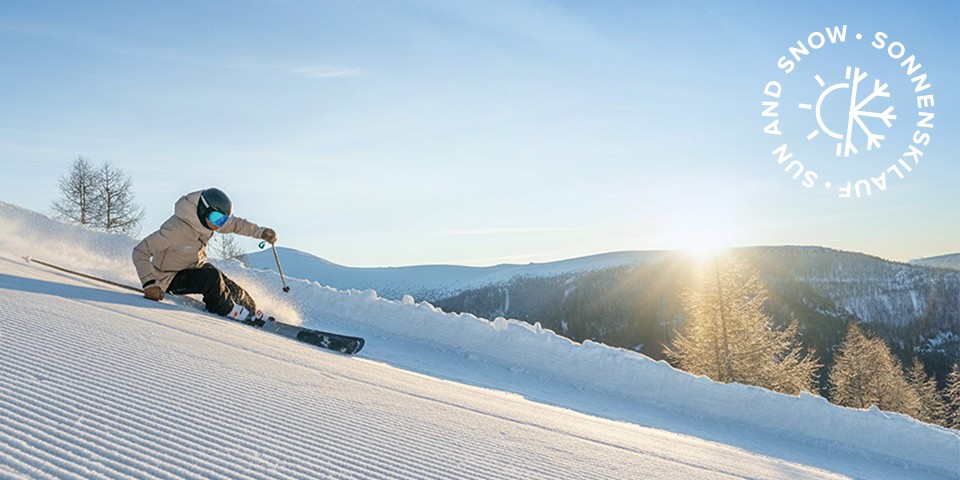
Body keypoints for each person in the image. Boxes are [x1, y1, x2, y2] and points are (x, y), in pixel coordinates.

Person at [132, 187, 277, 324]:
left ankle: (250, 310)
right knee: (211, 277)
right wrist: (149, 284)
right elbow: (140, 251)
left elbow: (237, 224)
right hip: (168, 278)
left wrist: (261, 232)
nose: (219, 224)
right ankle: (226, 309)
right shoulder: (176, 230)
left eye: (223, 220)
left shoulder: (208, 222)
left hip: (192, 268)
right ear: (203, 209)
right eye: (216, 218)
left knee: (226, 283)